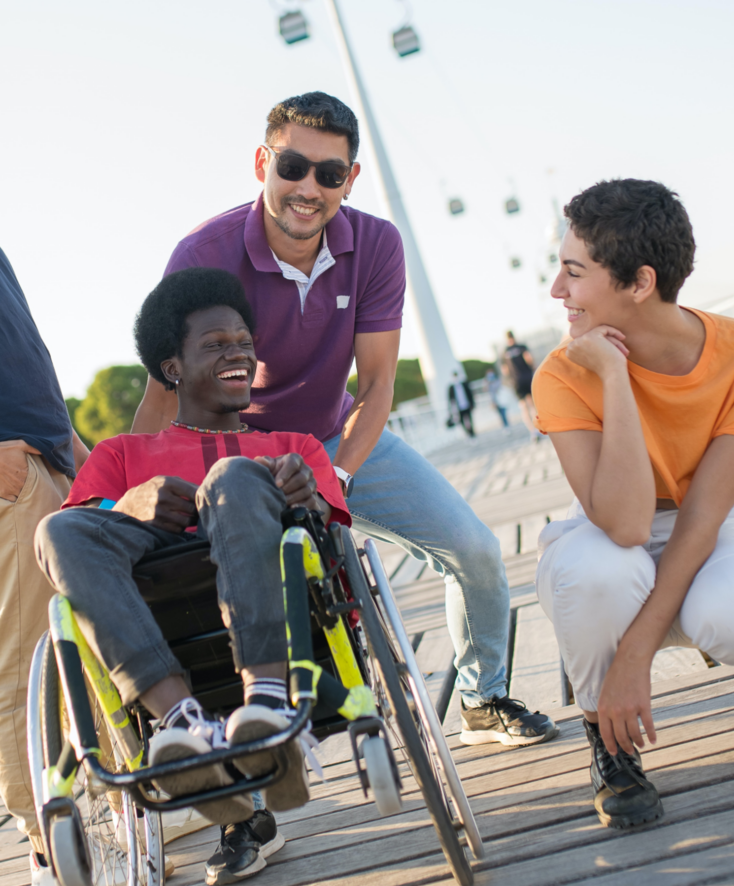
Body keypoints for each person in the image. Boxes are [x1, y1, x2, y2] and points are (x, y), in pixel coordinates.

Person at [130, 94, 558, 768]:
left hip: (336, 437)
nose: (308, 189)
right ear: (261, 163)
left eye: (330, 175)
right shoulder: (203, 254)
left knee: (474, 549)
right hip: (238, 461)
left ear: (350, 180)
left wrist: (339, 475)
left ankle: (481, 698)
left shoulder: (376, 244)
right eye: (293, 166)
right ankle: (237, 784)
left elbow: (380, 382)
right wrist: (136, 496)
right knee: (200, 597)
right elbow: (165, 391)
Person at [35, 268, 351, 885]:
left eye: (243, 341)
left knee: (234, 479)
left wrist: (303, 496)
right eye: (215, 343)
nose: (238, 351)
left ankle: (265, 708)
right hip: (164, 631)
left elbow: (331, 532)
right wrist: (129, 503)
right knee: (57, 529)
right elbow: (79, 535)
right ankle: (184, 725)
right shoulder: (121, 457)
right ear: (172, 367)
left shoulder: (294, 446)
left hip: (288, 633)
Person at [532, 178, 734, 831]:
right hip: (616, 524)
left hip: (716, 523)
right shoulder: (562, 374)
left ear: (639, 283)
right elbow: (628, 522)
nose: (557, 291)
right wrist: (613, 377)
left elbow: (699, 521)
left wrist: (636, 653)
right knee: (592, 573)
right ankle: (606, 742)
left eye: (573, 273)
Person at [0, 247, 93, 886]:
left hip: (46, 454)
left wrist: (69, 443)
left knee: (86, 643)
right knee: (22, 665)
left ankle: (115, 813)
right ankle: (47, 843)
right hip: (10, 472)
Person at [502, 330, 540, 440]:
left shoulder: (504, 351)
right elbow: (529, 359)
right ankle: (538, 428)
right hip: (527, 378)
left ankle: (532, 432)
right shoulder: (522, 347)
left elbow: (505, 370)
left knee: (523, 407)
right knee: (532, 405)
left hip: (516, 382)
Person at [447, 369, 476, 438]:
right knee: (462, 422)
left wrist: (472, 404)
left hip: (466, 405)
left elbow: (470, 394)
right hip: (458, 408)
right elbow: (450, 400)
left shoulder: (464, 384)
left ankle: (472, 434)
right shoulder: (451, 387)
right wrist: (450, 411)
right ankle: (468, 434)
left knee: (470, 420)